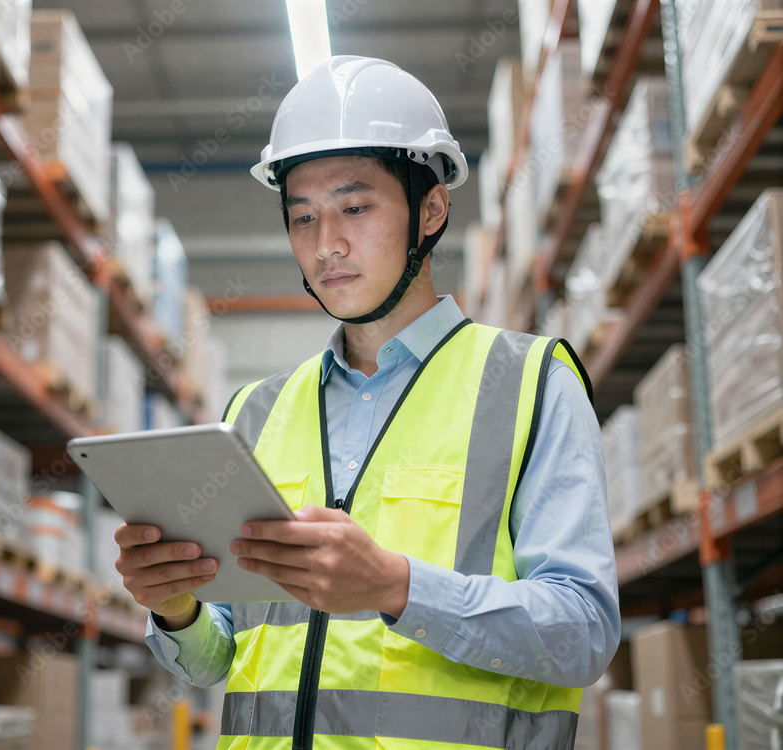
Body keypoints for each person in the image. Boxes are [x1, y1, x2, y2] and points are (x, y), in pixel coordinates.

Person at [115, 56, 620, 749]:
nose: (326, 245)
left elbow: (583, 633)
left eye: (354, 208)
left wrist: (396, 588)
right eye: (303, 217)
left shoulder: (531, 383)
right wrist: (175, 608)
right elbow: (215, 660)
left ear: (431, 209)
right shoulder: (255, 412)